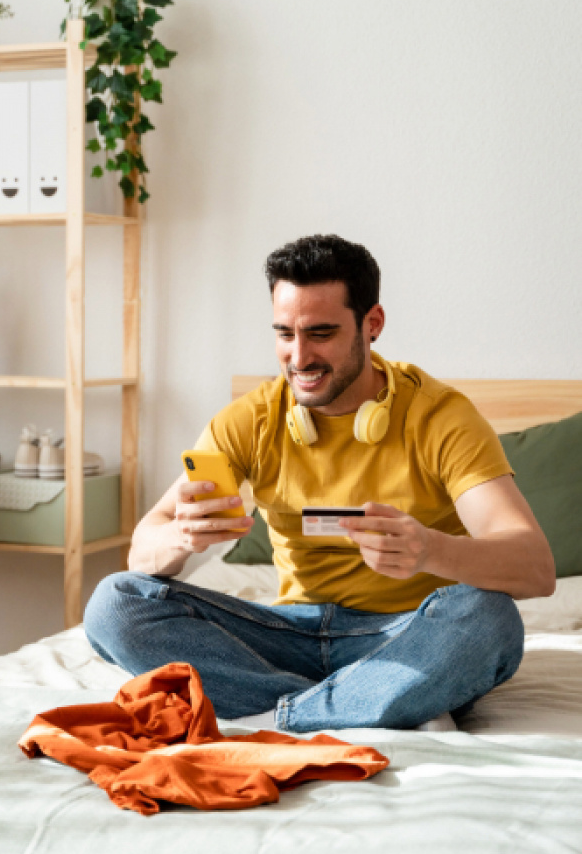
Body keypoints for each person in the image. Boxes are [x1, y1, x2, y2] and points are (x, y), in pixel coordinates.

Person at [85, 235, 555, 732]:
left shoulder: (441, 417)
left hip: (406, 634)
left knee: (489, 618)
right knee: (116, 601)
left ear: (371, 325)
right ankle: (371, 701)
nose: (299, 357)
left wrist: (431, 550)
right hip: (284, 634)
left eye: (321, 333)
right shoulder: (252, 419)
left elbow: (535, 566)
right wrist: (179, 537)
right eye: (285, 333)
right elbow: (142, 553)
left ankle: (280, 715)